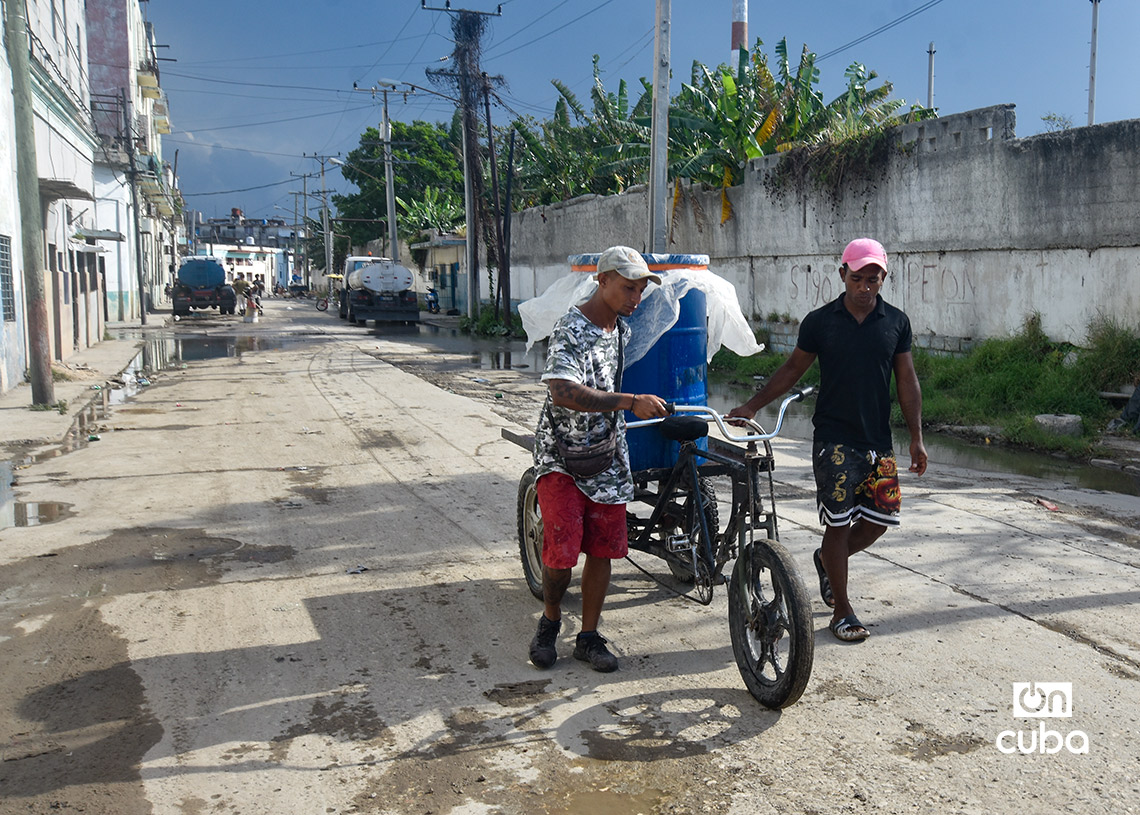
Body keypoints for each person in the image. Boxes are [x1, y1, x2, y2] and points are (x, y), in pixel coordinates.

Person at [727, 237, 927, 642]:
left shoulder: (896, 322)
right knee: (837, 523)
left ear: (883, 279)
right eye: (858, 278)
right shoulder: (820, 322)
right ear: (842, 275)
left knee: (878, 522)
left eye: (874, 279)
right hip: (834, 439)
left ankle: (825, 560)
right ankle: (843, 609)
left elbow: (907, 381)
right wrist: (752, 405)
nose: (866, 287)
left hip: (878, 442)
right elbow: (791, 370)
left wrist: (917, 438)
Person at [529, 246, 670, 672]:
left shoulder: (618, 330)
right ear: (602, 279)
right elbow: (562, 391)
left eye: (641, 290)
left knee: (604, 549)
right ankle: (550, 622)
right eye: (628, 287)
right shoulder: (572, 327)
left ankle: (587, 636)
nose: (635, 298)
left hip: (607, 452)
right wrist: (629, 401)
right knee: (561, 552)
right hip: (562, 456)